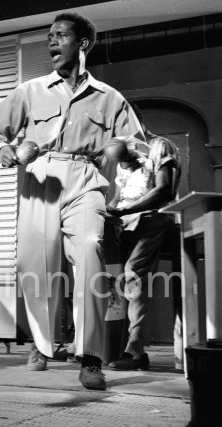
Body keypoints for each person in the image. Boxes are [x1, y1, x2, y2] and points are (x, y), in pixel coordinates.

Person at [0, 12, 146, 390]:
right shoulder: (30, 90)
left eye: (60, 36)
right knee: (33, 262)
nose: (51, 43)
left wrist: (119, 148)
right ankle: (42, 344)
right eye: (49, 36)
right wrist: (5, 150)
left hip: (86, 178)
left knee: (90, 250)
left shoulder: (110, 98)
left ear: (82, 44)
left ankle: (90, 357)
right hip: (40, 176)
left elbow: (136, 145)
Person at [106, 103, 181, 370]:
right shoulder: (123, 152)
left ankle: (135, 351)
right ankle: (109, 346)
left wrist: (125, 209)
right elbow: (118, 196)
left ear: (139, 120)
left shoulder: (161, 146)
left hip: (151, 218)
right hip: (125, 222)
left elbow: (164, 192)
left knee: (131, 275)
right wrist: (110, 211)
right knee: (112, 279)